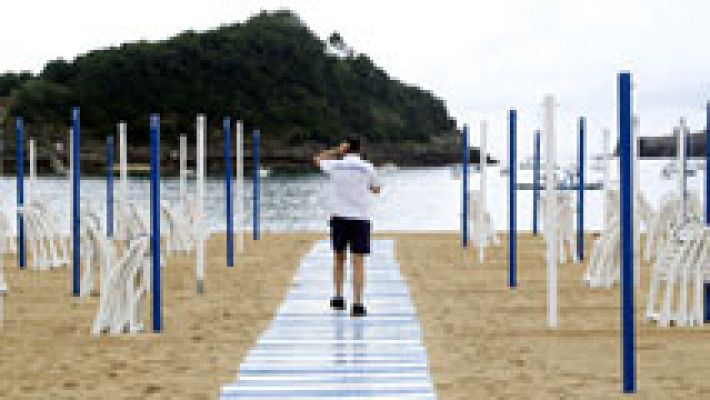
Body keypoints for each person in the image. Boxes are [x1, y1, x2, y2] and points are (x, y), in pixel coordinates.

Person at [313, 137, 380, 317]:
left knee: (339, 258)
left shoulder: (335, 165)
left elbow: (317, 159)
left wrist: (335, 151)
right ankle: (357, 303)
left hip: (339, 216)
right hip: (360, 218)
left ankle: (338, 297)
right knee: (358, 261)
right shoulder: (367, 167)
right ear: (359, 150)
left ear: (345, 149)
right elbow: (376, 189)